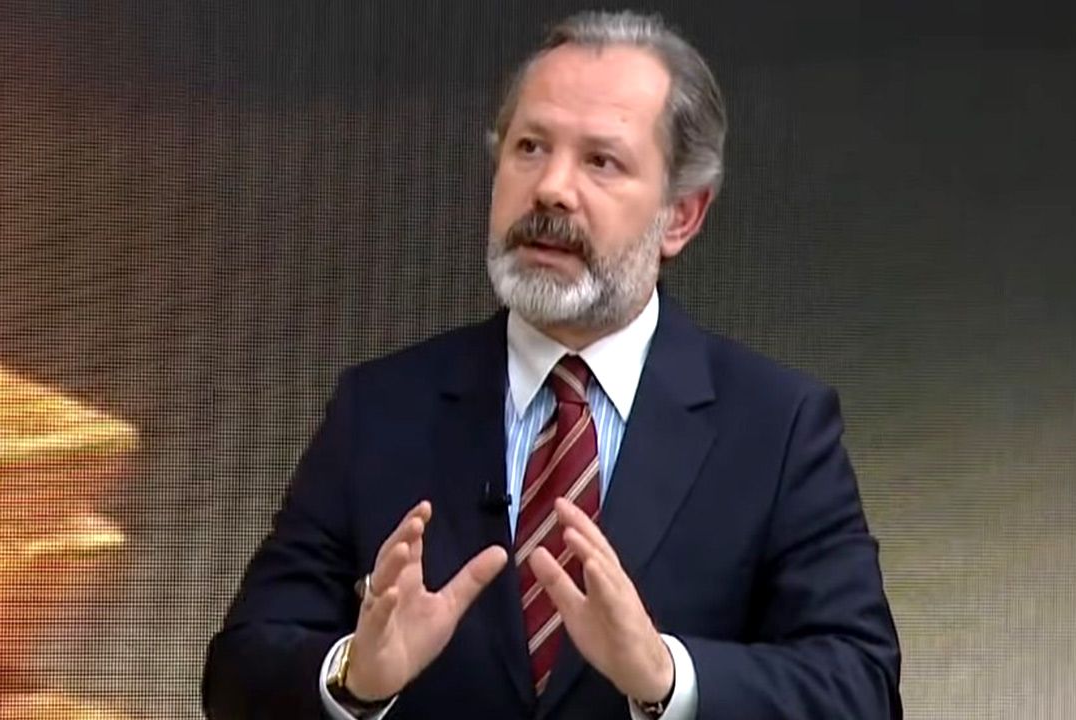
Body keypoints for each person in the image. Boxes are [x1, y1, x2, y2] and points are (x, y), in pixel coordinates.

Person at [202, 10, 901, 720]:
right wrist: (353, 676)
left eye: (601, 161)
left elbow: (860, 686)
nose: (551, 189)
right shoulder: (380, 409)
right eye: (530, 148)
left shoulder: (778, 426)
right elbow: (238, 670)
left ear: (681, 216)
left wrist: (667, 676)